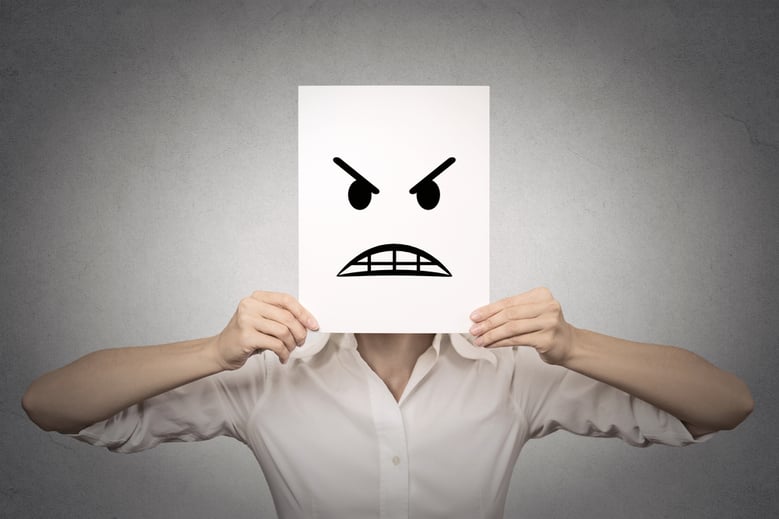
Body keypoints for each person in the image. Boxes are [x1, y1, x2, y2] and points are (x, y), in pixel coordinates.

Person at [22, 287, 753, 518]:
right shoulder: (268, 375)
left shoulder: (513, 373)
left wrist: (573, 342)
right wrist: (213, 351)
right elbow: (51, 404)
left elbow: (724, 403)